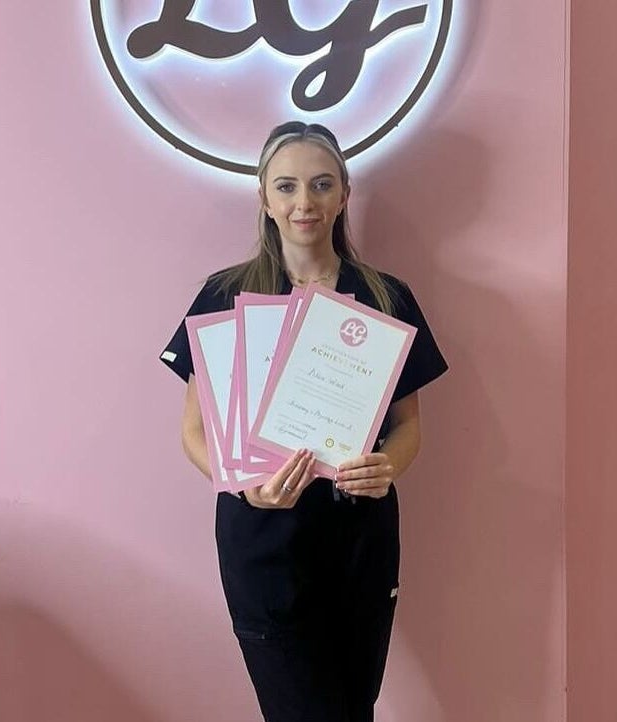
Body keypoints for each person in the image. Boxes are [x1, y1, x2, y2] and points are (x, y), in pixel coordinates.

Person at [161, 121, 447, 722]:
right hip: (261, 544)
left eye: (320, 185)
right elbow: (193, 431)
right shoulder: (223, 296)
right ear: (264, 199)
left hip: (358, 543)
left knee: (352, 710)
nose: (304, 203)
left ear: (344, 193)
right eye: (286, 187)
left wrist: (386, 466)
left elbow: (409, 425)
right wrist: (241, 482)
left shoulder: (385, 297)